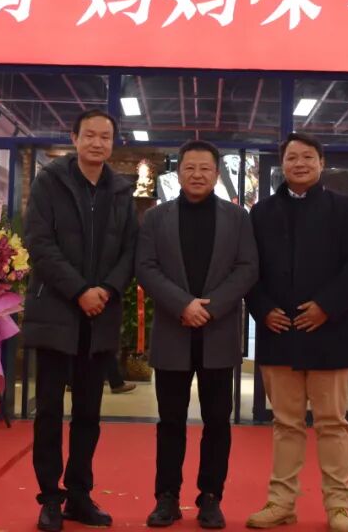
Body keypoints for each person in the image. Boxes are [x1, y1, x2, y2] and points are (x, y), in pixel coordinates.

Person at [244, 133, 348, 532]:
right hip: (278, 331)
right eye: (291, 157)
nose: (299, 164)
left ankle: (339, 506)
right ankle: (281, 503)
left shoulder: (345, 210)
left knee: (332, 423)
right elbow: (248, 269)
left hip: (329, 333)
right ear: (281, 164)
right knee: (286, 424)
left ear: (321, 162)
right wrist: (262, 310)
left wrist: (325, 307)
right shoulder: (261, 212)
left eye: (307, 157)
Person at [23, 109, 137, 532]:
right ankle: (50, 499)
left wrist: (105, 289)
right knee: (49, 411)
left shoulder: (121, 190)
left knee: (89, 413)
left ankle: (79, 495)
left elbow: (131, 250)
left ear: (113, 143)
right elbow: (39, 243)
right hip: (56, 310)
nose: (97, 143)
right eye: (89, 135)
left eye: (105, 136)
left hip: (100, 315)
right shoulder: (49, 182)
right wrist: (79, 291)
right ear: (74, 138)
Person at [136, 140, 259, 529]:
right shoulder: (156, 218)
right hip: (173, 332)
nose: (197, 174)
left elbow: (247, 267)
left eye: (205, 168)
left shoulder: (237, 218)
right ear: (178, 173)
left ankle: (210, 497)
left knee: (218, 422)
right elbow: (146, 267)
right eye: (190, 167)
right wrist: (183, 305)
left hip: (218, 333)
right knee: (170, 421)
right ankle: (167, 498)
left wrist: (211, 307)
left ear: (217, 173)